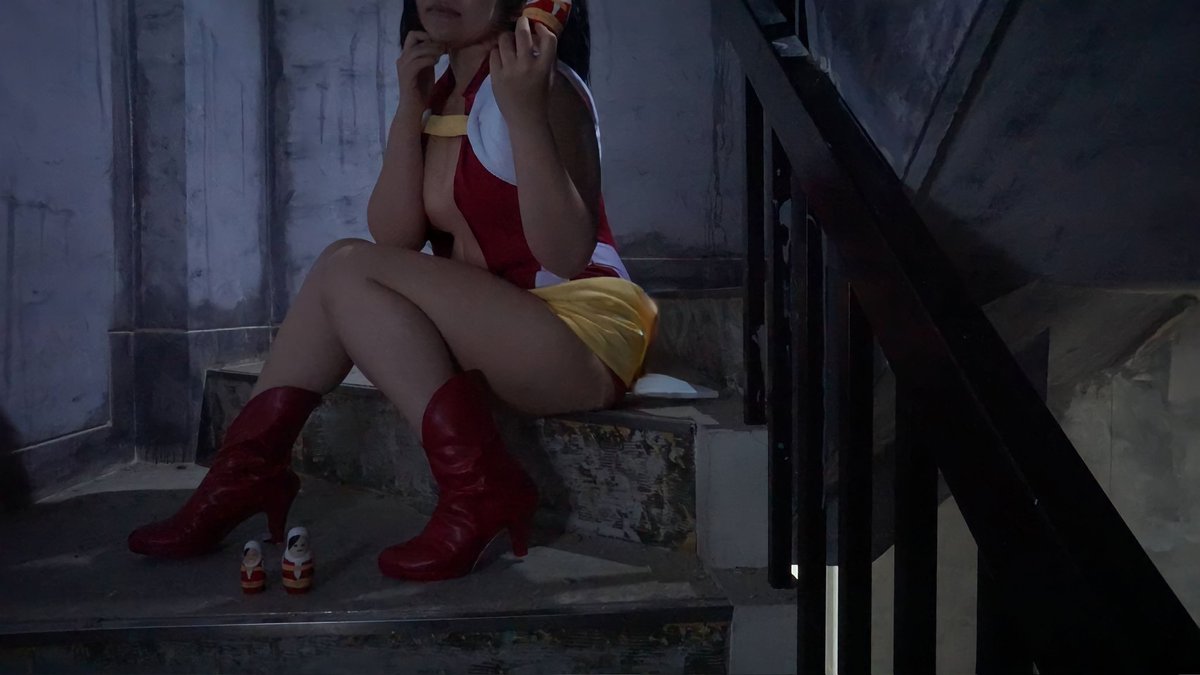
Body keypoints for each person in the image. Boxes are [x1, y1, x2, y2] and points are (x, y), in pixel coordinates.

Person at [126, 0, 657, 582]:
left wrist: (526, 115)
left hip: (577, 333)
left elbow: (567, 254)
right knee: (346, 271)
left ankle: (477, 489)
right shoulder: (439, 97)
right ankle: (242, 476)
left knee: (346, 266)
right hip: (497, 328)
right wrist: (409, 108)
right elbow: (396, 236)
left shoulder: (547, 88)